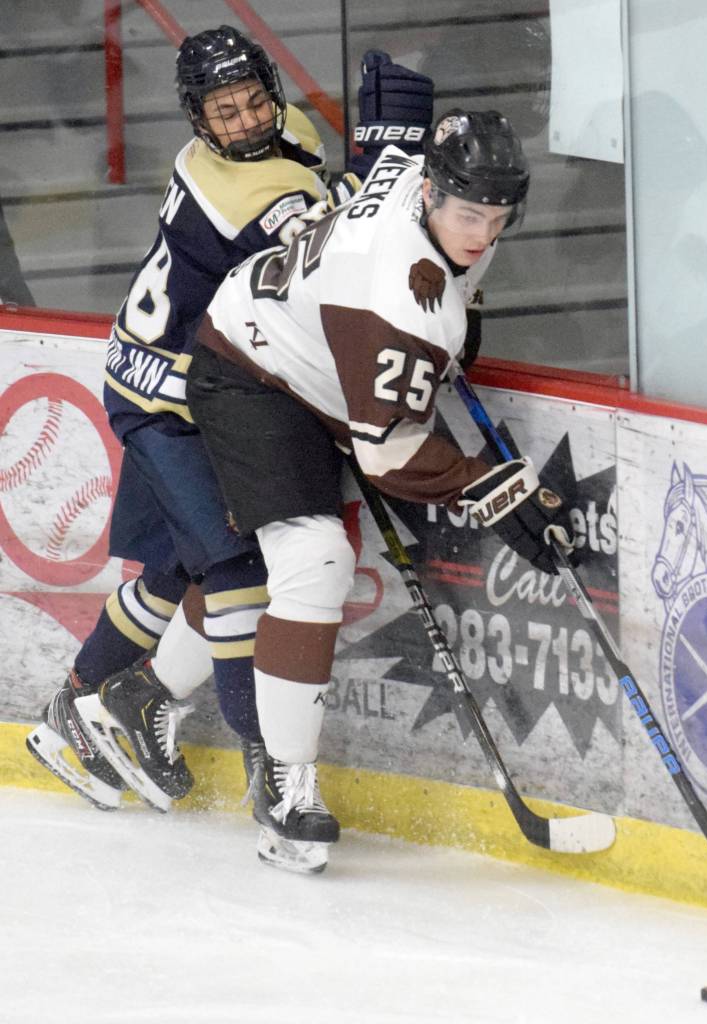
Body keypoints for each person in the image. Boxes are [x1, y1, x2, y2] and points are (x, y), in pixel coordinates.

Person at [26, 27, 433, 814]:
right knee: (239, 568)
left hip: (150, 374)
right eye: (225, 111)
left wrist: (366, 176)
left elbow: (326, 205)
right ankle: (261, 752)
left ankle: (78, 705)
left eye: (252, 102)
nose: (245, 120)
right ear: (196, 117)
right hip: (176, 402)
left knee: (182, 570)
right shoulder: (251, 194)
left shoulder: (278, 144)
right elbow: (338, 259)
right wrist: (389, 170)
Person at [185, 108, 577, 873]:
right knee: (317, 562)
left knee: (283, 568)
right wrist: (489, 488)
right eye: (468, 215)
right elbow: (394, 457)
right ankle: (287, 787)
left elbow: (392, 156)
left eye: (499, 218)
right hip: (253, 369)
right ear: (431, 194)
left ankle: (143, 695)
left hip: (319, 351)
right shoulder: (392, 296)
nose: (483, 234)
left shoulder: (420, 182)